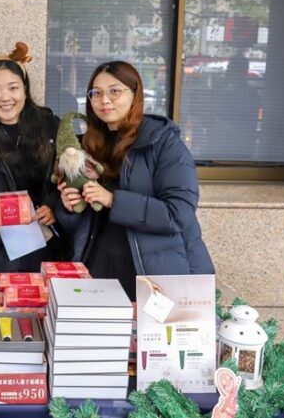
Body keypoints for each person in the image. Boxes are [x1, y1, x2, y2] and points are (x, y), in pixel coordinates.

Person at [56, 60, 214, 300]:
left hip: (155, 268)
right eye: (96, 93)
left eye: (114, 91)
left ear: (135, 94)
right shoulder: (88, 145)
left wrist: (112, 200)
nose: (104, 100)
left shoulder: (163, 143)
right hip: (99, 264)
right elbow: (82, 224)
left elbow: (177, 214)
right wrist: (69, 207)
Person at [0, 42, 68, 288]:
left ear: (25, 89)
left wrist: (53, 207)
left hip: (47, 242)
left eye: (13, 88)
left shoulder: (51, 126)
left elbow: (67, 181)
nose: (5, 97)